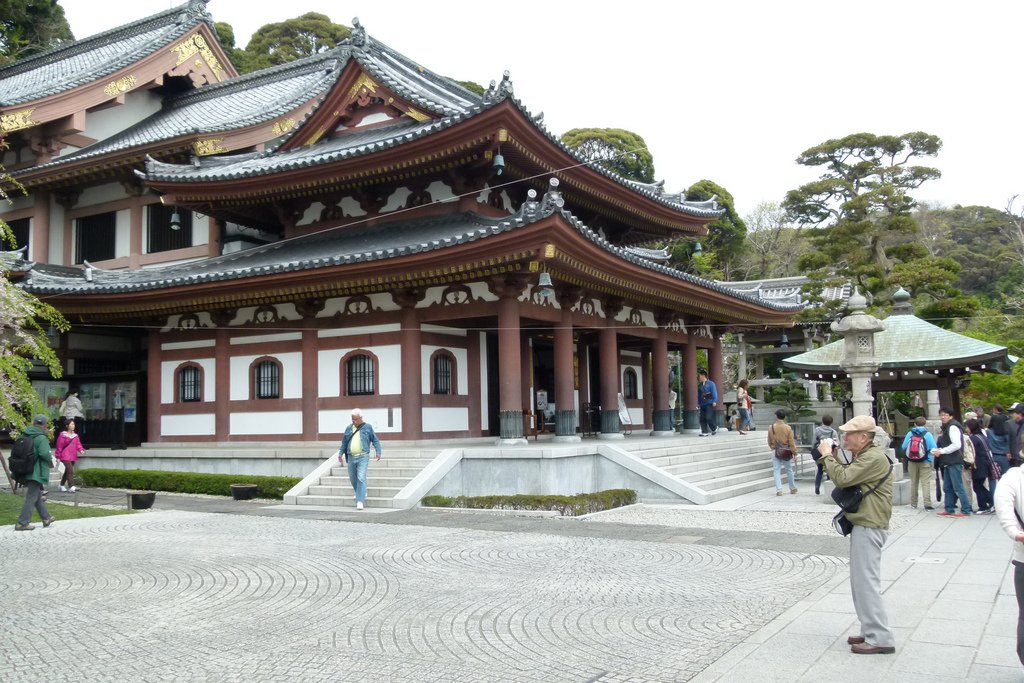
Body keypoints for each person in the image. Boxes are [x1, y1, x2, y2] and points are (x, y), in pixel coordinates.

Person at [815, 414, 895, 655]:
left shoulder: (873, 458)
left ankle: (880, 636)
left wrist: (828, 455)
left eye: (849, 434)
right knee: (860, 582)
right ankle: (869, 628)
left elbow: (843, 478)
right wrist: (833, 457)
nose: (845, 438)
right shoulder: (866, 456)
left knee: (866, 582)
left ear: (864, 437)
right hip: (866, 523)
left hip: (870, 524)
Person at [15, 415, 56, 531]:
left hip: (25, 468)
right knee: (32, 496)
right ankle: (22, 523)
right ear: (45, 425)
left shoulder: (25, 433)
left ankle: (46, 518)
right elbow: (44, 454)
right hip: (37, 470)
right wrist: (50, 459)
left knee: (36, 494)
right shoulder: (41, 437)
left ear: (33, 423)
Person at [932, 407, 972, 517]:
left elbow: (957, 444)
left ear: (951, 416)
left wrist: (942, 451)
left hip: (954, 460)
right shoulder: (947, 427)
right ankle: (949, 509)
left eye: (945, 415)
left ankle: (966, 510)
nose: (943, 417)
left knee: (958, 487)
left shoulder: (953, 427)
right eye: (941, 415)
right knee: (947, 487)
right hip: (948, 461)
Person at [339, 408, 381, 510]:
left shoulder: (368, 427)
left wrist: (378, 452)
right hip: (351, 456)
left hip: (363, 456)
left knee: (361, 477)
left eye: (357, 420)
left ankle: (360, 501)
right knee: (353, 478)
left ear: (361, 418)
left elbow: (375, 440)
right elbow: (344, 442)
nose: (355, 422)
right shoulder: (349, 428)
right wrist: (340, 453)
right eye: (353, 420)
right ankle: (361, 492)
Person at [901, 416, 937, 510]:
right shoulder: (928, 434)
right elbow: (933, 447)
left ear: (915, 424)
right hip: (925, 461)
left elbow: (904, 446)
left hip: (912, 461)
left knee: (914, 482)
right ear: (925, 424)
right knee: (925, 483)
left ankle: (914, 503)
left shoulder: (910, 433)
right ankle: (927, 504)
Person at [965, 418, 995, 514]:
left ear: (971, 428)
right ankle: (991, 503)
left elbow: (971, 452)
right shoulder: (982, 436)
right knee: (981, 485)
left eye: (967, 427)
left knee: (977, 486)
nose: (966, 429)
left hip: (979, 464)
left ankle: (984, 506)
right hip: (986, 462)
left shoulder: (973, 439)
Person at [767, 408, 797, 496]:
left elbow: (769, 440)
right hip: (786, 450)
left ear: (776, 416)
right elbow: (791, 441)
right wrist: (795, 452)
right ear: (785, 417)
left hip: (775, 449)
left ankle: (779, 489)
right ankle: (792, 488)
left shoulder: (771, 427)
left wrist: (772, 447)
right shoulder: (788, 428)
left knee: (776, 470)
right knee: (789, 469)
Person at [55, 418, 85, 492]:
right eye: (72, 424)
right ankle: (71, 486)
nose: (73, 426)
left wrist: (81, 449)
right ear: (67, 426)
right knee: (70, 470)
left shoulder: (75, 435)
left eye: (73, 424)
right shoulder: (62, 435)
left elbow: (78, 444)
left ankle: (61, 485)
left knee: (67, 471)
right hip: (65, 456)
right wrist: (58, 456)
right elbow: (59, 446)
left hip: (73, 455)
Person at [812, 414, 839, 495]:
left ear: (822, 421)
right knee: (829, 470)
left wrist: (813, 449)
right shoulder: (833, 432)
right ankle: (828, 487)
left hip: (819, 452)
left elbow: (813, 442)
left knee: (820, 470)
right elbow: (837, 443)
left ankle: (817, 486)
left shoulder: (817, 430)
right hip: (829, 452)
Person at [989, 404, 1012, 485]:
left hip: (993, 456)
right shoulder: (1005, 431)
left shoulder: (989, 432)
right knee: (1006, 478)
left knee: (994, 478)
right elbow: (1009, 443)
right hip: (1004, 456)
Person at [697, 369, 718, 437]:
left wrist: (715, 401)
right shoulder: (700, 386)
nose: (699, 377)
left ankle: (714, 427)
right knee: (702, 418)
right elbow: (699, 395)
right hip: (702, 403)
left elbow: (714, 392)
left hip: (709, 402)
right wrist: (698, 403)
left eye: (700, 375)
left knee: (708, 417)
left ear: (703, 376)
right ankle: (704, 432)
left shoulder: (711, 384)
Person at [1009, 403, 1024, 468]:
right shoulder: (1020, 425)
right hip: (1019, 459)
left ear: (1020, 414)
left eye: (1013, 413)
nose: (1011, 415)